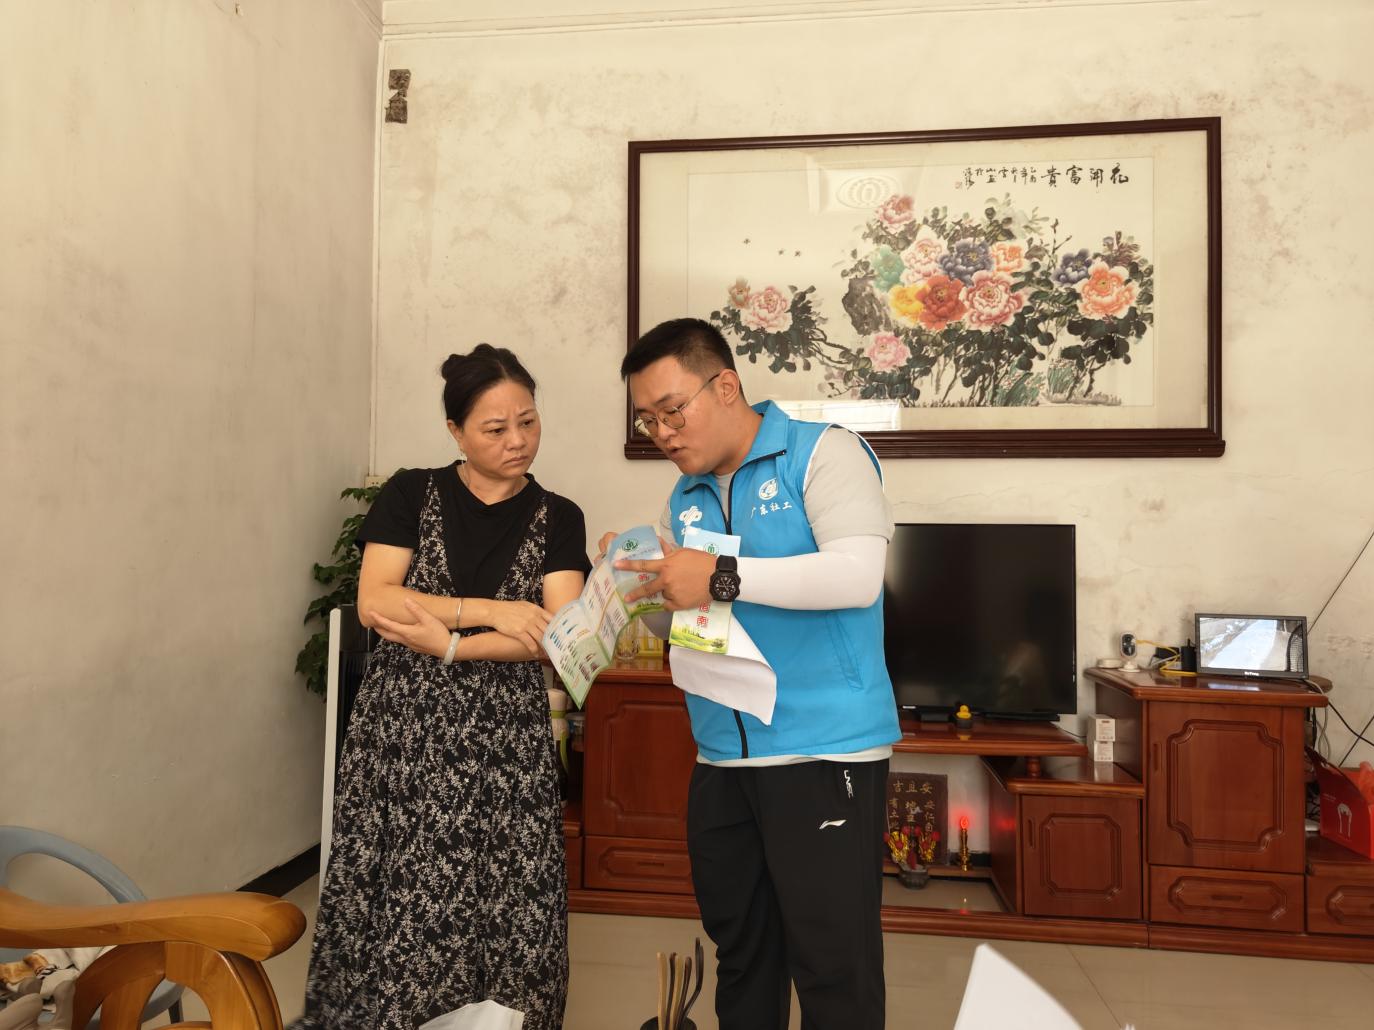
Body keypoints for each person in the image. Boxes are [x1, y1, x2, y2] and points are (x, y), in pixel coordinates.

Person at [603, 318, 901, 1030]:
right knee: (742, 957)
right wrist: (644, 591)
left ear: (727, 386)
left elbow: (857, 576)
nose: (662, 433)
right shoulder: (686, 498)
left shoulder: (824, 454)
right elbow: (702, 624)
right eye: (647, 421)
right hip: (722, 757)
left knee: (834, 968)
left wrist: (717, 574)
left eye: (672, 411)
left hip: (823, 751)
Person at [298, 344, 590, 1030]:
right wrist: (494, 612)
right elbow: (376, 601)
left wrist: (448, 643)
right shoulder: (411, 493)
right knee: (402, 887)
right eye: (495, 428)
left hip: (505, 739)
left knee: (510, 890)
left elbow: (557, 634)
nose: (518, 440)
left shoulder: (559, 516)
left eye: (528, 421)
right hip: (404, 731)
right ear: (456, 431)